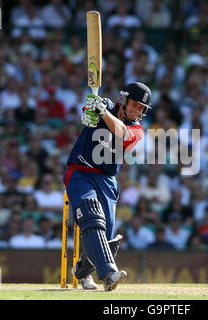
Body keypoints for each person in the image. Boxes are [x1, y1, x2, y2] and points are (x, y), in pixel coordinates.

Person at [64, 82, 152, 291]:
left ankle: (82, 271)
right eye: (135, 104)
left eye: (141, 108)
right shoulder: (105, 106)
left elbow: (121, 132)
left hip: (107, 181)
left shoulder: (137, 130)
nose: (136, 111)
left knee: (107, 238)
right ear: (124, 99)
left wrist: (102, 113)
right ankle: (109, 274)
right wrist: (90, 112)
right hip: (80, 172)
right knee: (91, 213)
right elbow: (87, 114)